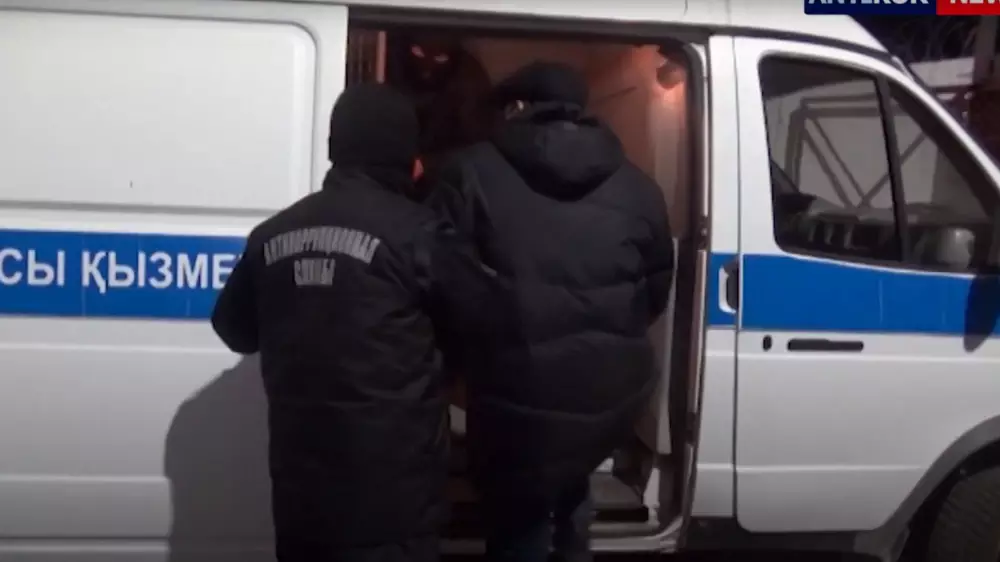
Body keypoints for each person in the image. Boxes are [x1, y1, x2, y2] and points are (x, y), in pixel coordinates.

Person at [211, 83, 490, 562]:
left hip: (302, 497)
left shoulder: (272, 235)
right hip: (394, 500)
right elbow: (482, 327)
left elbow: (233, 329)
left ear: (335, 150)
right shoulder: (421, 235)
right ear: (408, 160)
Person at [426, 62, 675, 562]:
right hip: (602, 394)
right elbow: (654, 291)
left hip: (513, 391)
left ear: (519, 107)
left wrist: (465, 357)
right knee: (572, 483)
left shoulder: (468, 172)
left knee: (518, 524)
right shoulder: (639, 187)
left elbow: (440, 281)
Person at [388, 32, 494, 193]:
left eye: (440, 58)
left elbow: (476, 144)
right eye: (418, 52)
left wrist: (428, 164)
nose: (427, 68)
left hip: (444, 181)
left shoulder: (469, 80)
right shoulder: (392, 59)